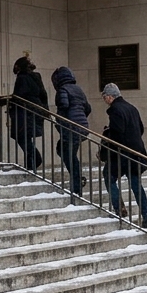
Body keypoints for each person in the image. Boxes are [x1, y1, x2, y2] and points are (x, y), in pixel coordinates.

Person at [101, 83, 147, 227]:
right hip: (136, 152)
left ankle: (119, 207)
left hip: (122, 154)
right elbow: (140, 128)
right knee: (136, 184)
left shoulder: (115, 110)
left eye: (105, 97)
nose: (105, 100)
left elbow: (117, 133)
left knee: (108, 176)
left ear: (110, 97)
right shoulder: (132, 108)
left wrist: (107, 141)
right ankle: (146, 215)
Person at [51, 66, 91, 196]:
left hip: (70, 127)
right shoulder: (78, 89)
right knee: (68, 153)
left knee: (66, 153)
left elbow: (63, 106)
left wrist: (59, 122)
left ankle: (77, 184)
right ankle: (78, 180)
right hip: (81, 127)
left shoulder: (63, 89)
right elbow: (88, 108)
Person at [9, 56, 48, 171]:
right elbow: (43, 94)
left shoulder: (22, 78)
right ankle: (30, 162)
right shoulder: (36, 77)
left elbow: (19, 95)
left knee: (21, 136)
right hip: (35, 110)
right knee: (25, 136)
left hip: (25, 111)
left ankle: (35, 158)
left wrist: (10, 102)